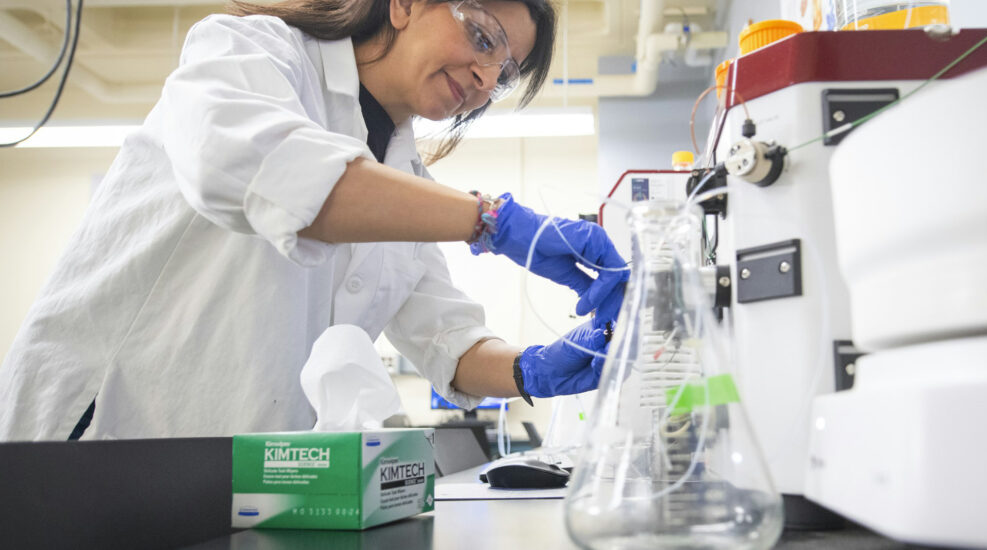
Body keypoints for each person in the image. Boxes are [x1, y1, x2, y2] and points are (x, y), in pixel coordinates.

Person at [0, 0, 627, 441]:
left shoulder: (406, 181)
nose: (486, 79)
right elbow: (277, 175)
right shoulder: (249, 50)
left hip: (243, 467)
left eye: (504, 74)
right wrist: (490, 221)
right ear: (405, 3)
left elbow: (447, 340)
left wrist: (535, 367)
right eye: (483, 39)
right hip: (103, 433)